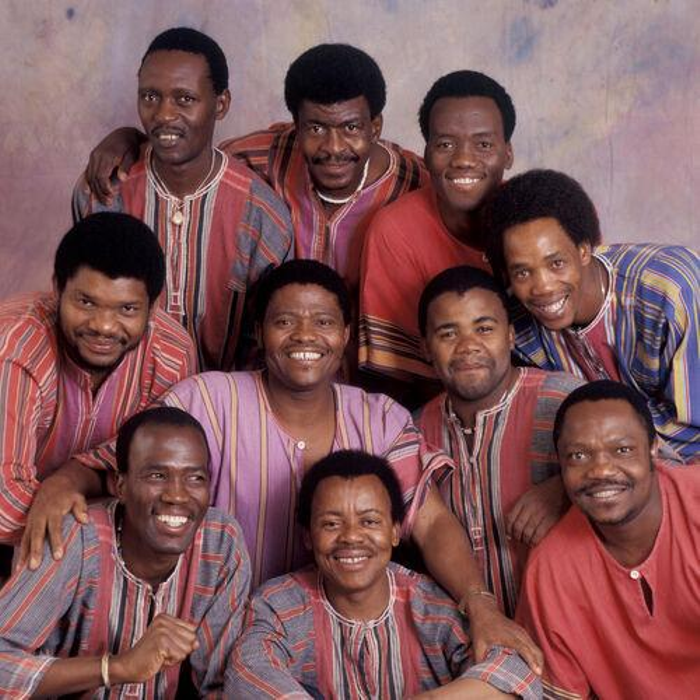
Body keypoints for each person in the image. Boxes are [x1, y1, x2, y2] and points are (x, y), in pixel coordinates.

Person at [25, 260, 543, 672]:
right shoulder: (206, 399)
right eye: (284, 320)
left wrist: (481, 606)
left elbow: (428, 522)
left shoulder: (379, 417)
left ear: (344, 336)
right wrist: (61, 481)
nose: (303, 336)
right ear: (260, 333)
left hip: (329, 635)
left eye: (322, 322)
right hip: (201, 634)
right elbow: (119, 464)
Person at [82, 42, 426, 296]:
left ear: (375, 126)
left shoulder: (414, 184)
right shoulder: (259, 158)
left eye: (351, 128)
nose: (333, 148)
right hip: (275, 367)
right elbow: (185, 154)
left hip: (374, 378)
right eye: (316, 128)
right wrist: (128, 140)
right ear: (296, 124)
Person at [227, 450, 541, 699]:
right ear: (308, 536)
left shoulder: (428, 604)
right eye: (331, 524)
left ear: (395, 531)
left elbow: (515, 671)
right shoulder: (278, 604)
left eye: (369, 522)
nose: (351, 537)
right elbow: (249, 672)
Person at [73, 27, 293, 371]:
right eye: (149, 97)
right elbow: (82, 309)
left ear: (221, 104)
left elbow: (266, 344)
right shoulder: (104, 193)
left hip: (222, 408)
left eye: (184, 99)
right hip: (117, 399)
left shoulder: (262, 213)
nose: (162, 115)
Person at [0, 406, 251, 698]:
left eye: (195, 478)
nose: (177, 495)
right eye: (157, 475)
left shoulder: (220, 542)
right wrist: (118, 668)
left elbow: (223, 682)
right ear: (121, 486)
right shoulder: (75, 538)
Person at [0, 212, 195, 550]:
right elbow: (3, 504)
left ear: (153, 306)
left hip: (89, 549)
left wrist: (71, 478)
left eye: (127, 309)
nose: (104, 326)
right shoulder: (15, 345)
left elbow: (149, 469)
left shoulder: (172, 355)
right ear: (57, 288)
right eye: (86, 302)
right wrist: (90, 498)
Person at [484, 168, 699, 462]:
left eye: (556, 263)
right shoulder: (518, 329)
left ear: (584, 250)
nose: (543, 287)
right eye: (522, 272)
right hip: (619, 475)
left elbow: (693, 427)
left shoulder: (670, 291)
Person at [416, 266, 583, 617]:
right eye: (448, 334)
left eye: (484, 328)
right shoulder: (413, 432)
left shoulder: (565, 400)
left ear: (509, 336)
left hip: (569, 627)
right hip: (468, 638)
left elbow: (663, 474)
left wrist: (567, 487)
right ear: (426, 347)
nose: (468, 346)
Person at [517, 380, 700, 699]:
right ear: (560, 465)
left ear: (653, 448)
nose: (600, 469)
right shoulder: (550, 570)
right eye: (578, 455)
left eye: (623, 450)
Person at [359, 71, 514, 405]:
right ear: (426, 154)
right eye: (445, 144)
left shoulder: (539, 219)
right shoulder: (395, 230)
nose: (463, 160)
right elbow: (394, 377)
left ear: (508, 154)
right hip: (437, 409)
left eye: (483, 144)